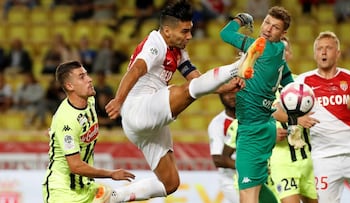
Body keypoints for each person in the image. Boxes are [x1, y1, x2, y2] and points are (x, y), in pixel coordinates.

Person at [105, 0, 265, 201]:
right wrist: (118, 100)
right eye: (184, 31)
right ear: (167, 30)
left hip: (149, 124)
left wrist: (225, 88)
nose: (189, 36)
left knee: (169, 183)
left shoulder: (178, 49)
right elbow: (136, 69)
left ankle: (113, 196)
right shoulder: (155, 43)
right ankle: (237, 66)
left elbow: (197, 79)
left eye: (190, 30)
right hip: (138, 108)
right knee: (189, 92)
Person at [220, 6, 294, 203]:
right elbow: (287, 79)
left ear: (283, 33)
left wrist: (241, 19)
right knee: (257, 189)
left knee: (247, 194)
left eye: (275, 27)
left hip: (253, 131)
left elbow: (225, 34)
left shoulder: (261, 46)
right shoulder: (279, 50)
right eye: (267, 22)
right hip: (263, 126)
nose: (268, 29)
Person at [42, 61, 135, 203]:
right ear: (69, 86)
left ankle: (166, 186)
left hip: (85, 186)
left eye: (86, 74)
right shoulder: (66, 119)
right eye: (82, 77)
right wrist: (111, 174)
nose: (89, 79)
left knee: (121, 196)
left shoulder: (90, 101)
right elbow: (76, 166)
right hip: (62, 192)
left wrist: (54, 133)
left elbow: (69, 131)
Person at [295, 31, 350, 203]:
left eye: (329, 48)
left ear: (337, 53)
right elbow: (278, 110)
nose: (323, 52)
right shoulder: (302, 82)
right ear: (315, 53)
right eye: (319, 48)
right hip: (323, 158)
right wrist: (297, 119)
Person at [269, 36, 319, 203]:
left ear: (289, 54)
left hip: (309, 159)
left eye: (283, 51)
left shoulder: (302, 84)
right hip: (282, 159)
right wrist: (295, 120)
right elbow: (273, 110)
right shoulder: (263, 86)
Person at [207, 91, 238, 203]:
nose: (232, 96)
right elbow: (218, 160)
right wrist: (248, 167)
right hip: (231, 181)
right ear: (220, 96)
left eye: (235, 92)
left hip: (259, 177)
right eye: (227, 93)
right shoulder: (217, 124)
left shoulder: (253, 117)